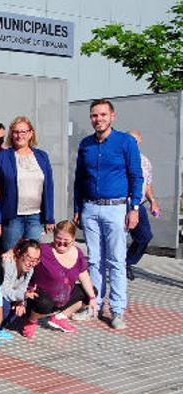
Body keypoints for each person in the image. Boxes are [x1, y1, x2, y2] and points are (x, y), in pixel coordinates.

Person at [73, 99, 142, 330]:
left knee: (116, 261)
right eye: (94, 115)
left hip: (116, 208)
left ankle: (117, 310)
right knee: (94, 260)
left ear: (112, 116)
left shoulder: (126, 142)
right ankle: (94, 305)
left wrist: (134, 209)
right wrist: (77, 209)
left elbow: (136, 177)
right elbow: (79, 179)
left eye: (103, 114)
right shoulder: (86, 145)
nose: (98, 119)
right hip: (90, 208)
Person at [0, 116, 55, 251]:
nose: (19, 135)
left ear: (31, 133)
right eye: (16, 132)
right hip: (12, 219)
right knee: (10, 256)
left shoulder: (42, 156)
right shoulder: (1, 158)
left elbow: (48, 188)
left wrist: (49, 218)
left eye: (23, 132)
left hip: (35, 217)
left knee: (32, 257)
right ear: (11, 134)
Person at [24, 220, 99, 337]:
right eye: (58, 239)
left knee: (91, 292)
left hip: (63, 297)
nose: (61, 243)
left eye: (66, 241)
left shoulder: (78, 253)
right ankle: (32, 321)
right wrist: (10, 252)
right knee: (45, 303)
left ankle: (60, 317)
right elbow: (24, 248)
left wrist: (93, 298)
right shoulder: (44, 250)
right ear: (53, 236)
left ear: (73, 239)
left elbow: (83, 274)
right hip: (39, 298)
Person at [0, 239, 41, 347]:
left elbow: (23, 287)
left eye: (36, 260)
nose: (31, 263)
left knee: (19, 307)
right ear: (19, 253)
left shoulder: (30, 269)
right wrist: (22, 296)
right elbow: (3, 291)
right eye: (29, 258)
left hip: (7, 296)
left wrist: (21, 301)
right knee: (5, 304)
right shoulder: (8, 264)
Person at [125, 130, 160, 280]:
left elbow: (147, 185)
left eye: (136, 141)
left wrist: (153, 202)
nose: (134, 144)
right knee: (119, 237)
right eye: (131, 141)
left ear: (140, 143)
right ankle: (116, 267)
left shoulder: (144, 161)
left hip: (138, 205)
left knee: (144, 236)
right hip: (121, 204)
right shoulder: (120, 158)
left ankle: (127, 262)